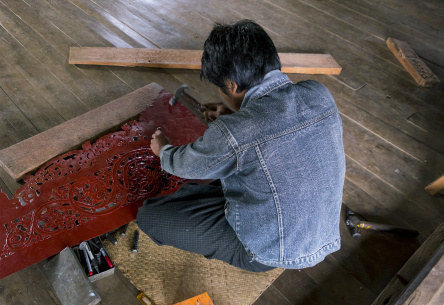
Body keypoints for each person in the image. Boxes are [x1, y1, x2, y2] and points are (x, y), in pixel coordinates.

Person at [136, 20, 345, 272]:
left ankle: (245, 253)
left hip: (271, 251)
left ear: (232, 85)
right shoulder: (318, 93)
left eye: (221, 89)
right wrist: (232, 112)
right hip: (321, 233)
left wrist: (164, 150)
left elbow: (188, 164)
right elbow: (272, 122)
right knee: (210, 183)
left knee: (150, 216)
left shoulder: (235, 133)